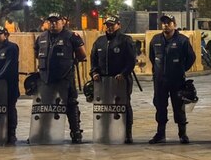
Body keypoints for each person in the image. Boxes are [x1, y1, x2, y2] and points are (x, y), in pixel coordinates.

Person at [34, 12, 87, 142]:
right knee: (45, 105)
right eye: (50, 21)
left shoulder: (71, 36)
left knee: (71, 104)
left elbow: (82, 55)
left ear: (62, 22)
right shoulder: (41, 37)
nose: (53, 24)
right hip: (46, 77)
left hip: (65, 77)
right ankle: (44, 132)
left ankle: (75, 132)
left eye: (56, 21)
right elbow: (37, 54)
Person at [148, 14, 197, 144]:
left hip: (177, 80)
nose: (165, 25)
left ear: (174, 24)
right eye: (163, 23)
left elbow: (191, 58)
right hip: (160, 81)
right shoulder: (155, 39)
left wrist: (181, 69)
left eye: (169, 23)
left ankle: (182, 134)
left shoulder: (182, 40)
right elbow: (152, 57)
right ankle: (160, 134)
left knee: (179, 107)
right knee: (160, 107)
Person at [90, 13, 138, 143]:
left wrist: (123, 73)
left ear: (118, 25)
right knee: (104, 107)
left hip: (121, 80)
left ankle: (127, 133)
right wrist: (94, 72)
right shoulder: (99, 41)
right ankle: (105, 132)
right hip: (103, 81)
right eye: (107, 25)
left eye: (112, 25)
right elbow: (93, 59)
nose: (109, 28)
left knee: (123, 105)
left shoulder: (125, 40)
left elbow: (131, 60)